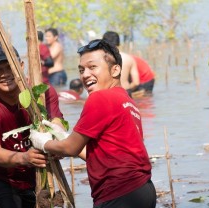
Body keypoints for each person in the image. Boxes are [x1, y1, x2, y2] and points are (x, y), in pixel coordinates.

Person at [30, 39, 156, 208]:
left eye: (92, 67)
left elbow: (70, 149)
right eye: (81, 70)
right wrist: (62, 137)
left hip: (119, 193)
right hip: (143, 190)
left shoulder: (99, 98)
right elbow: (101, 152)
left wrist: (44, 143)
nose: (85, 74)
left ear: (115, 69)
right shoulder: (127, 100)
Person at [0, 42, 65, 208]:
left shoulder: (42, 93)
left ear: (21, 65)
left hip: (35, 173)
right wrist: (24, 157)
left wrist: (58, 143)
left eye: (9, 67)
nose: (5, 74)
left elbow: (56, 122)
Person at [103, 31, 155, 95]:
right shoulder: (128, 58)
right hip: (129, 87)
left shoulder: (104, 60)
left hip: (145, 78)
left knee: (144, 98)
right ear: (119, 44)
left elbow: (136, 83)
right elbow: (135, 83)